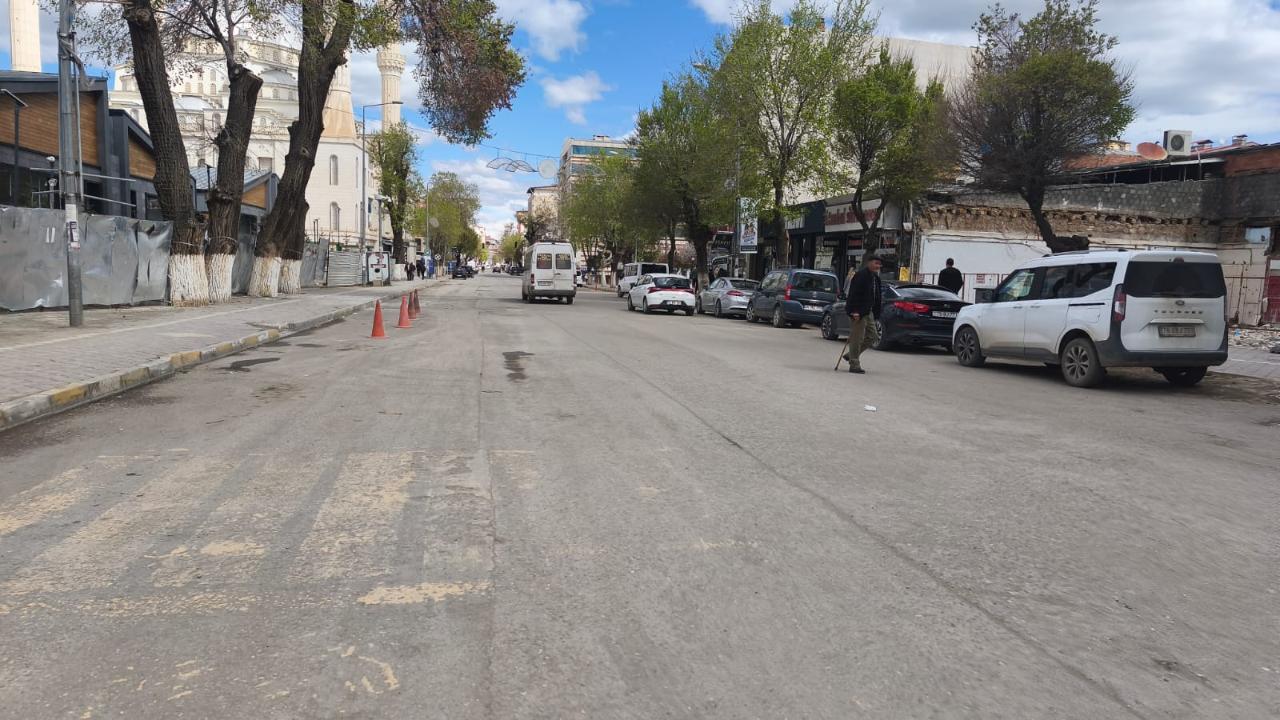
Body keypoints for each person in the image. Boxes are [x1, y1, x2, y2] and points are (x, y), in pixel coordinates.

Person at [844, 256, 883, 375]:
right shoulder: (861, 275)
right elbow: (854, 294)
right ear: (869, 263)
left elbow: (876, 295)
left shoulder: (875, 277)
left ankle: (851, 355)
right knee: (857, 338)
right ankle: (854, 364)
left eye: (879, 264)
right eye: (876, 263)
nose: (878, 266)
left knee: (873, 336)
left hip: (868, 311)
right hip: (858, 311)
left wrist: (876, 312)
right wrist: (855, 311)